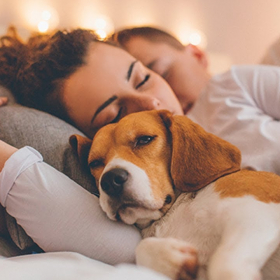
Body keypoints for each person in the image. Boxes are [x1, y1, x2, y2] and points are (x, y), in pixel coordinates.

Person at [111, 26, 280, 175]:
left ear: (197, 55)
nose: (157, 98)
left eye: (163, 73)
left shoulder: (232, 83)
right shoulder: (167, 145)